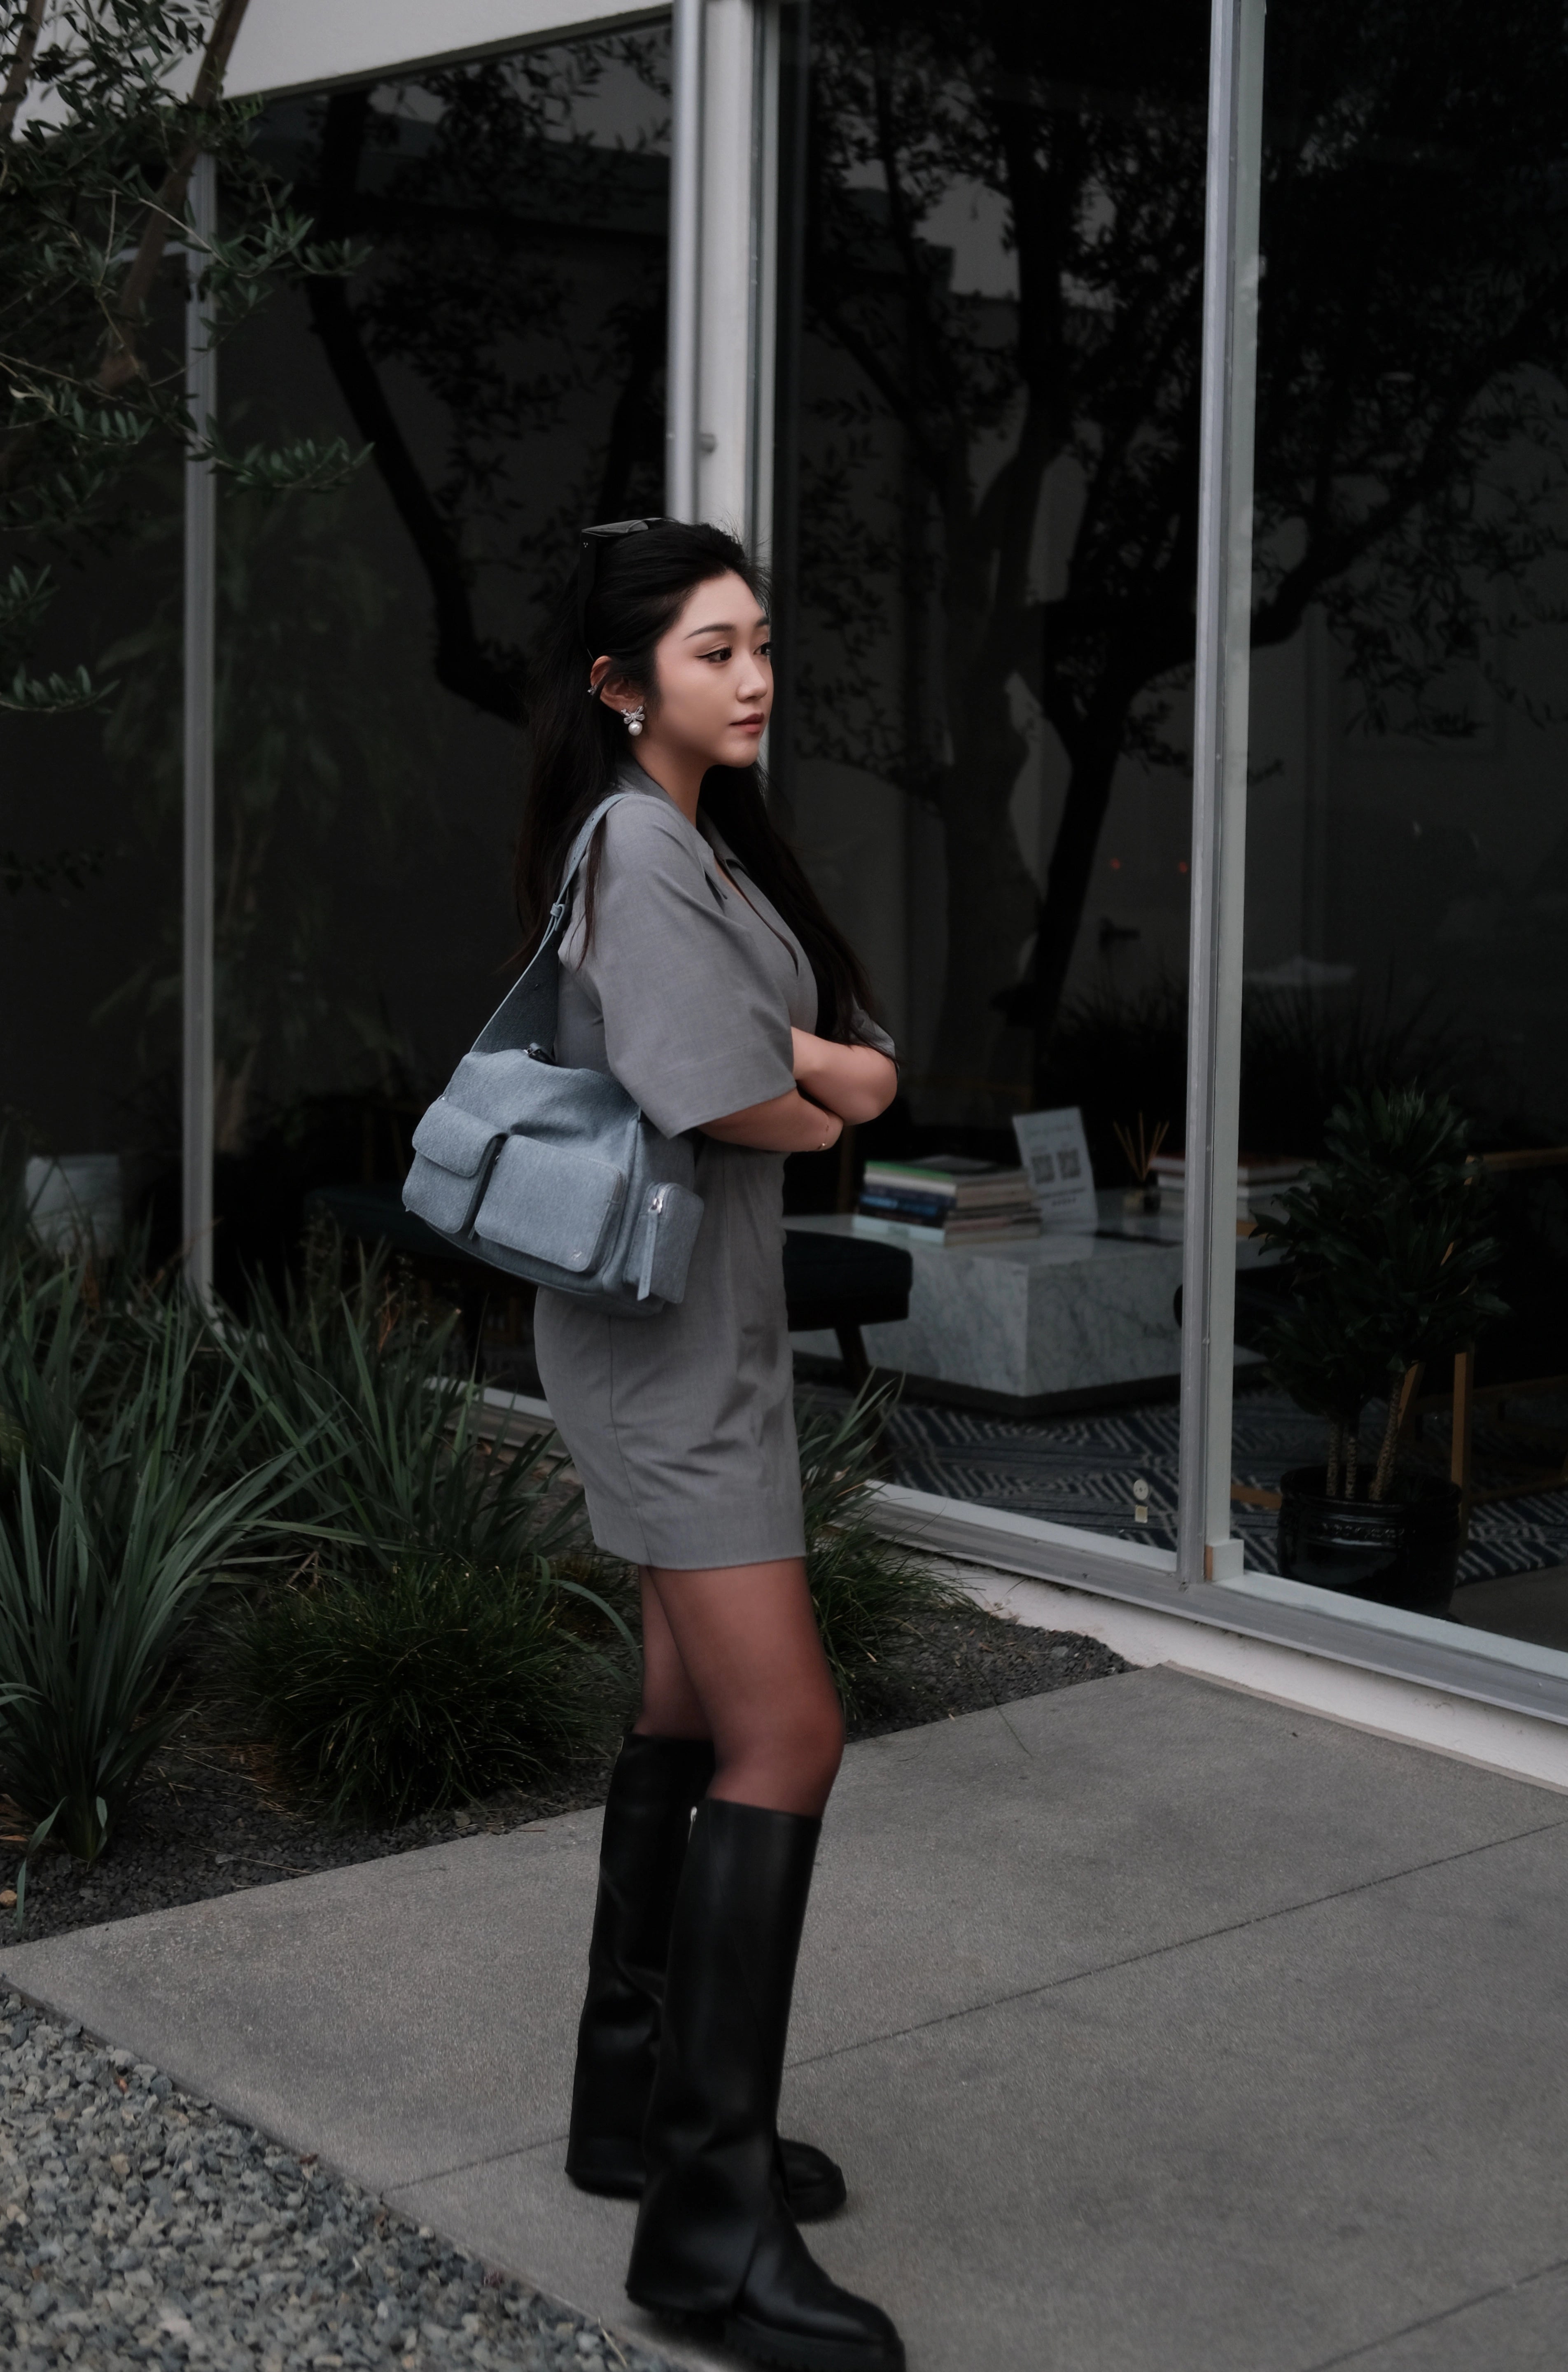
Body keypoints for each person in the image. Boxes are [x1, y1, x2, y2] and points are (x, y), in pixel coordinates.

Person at [513, 518, 904, 2372]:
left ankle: (634, 2112)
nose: (751, 677)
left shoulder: (687, 843)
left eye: (758, 645)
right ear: (620, 684)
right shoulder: (645, 853)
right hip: (675, 1363)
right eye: (710, 650)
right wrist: (835, 1081)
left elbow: (802, 1039)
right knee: (788, 1729)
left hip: (689, 1339)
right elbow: (730, 1091)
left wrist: (828, 1063)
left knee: (688, 1715)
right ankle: (709, 2234)